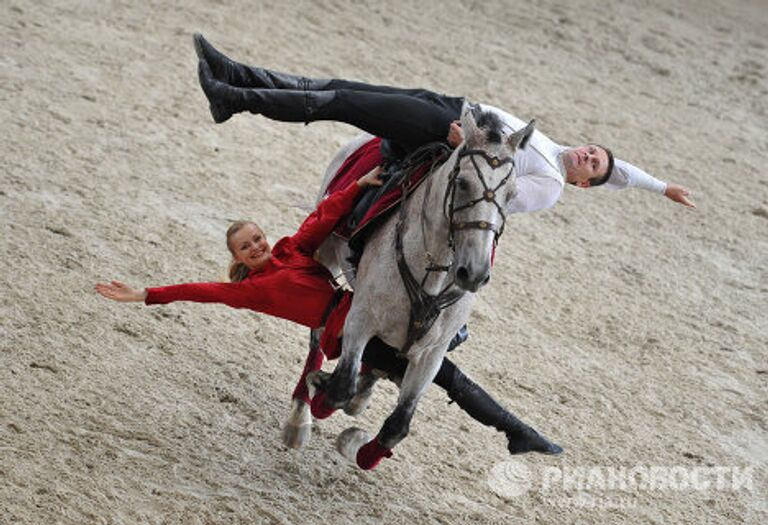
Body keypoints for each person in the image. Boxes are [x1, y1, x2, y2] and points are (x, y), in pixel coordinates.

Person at [95, 168, 562, 468]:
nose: (257, 246)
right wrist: (146, 294)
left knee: (445, 354)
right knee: (441, 378)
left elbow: (320, 220)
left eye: (257, 237)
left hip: (369, 309)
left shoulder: (291, 250)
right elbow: (202, 292)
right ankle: (338, 412)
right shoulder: (251, 290)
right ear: (237, 257)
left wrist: (355, 189)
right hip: (352, 334)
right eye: (246, 247)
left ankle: (511, 428)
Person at [193, 33, 695, 214]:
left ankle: (234, 99)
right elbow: (622, 170)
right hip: (452, 104)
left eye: (593, 166)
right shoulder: (559, 147)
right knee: (345, 86)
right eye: (594, 152)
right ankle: (237, 74)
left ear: (584, 184)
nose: (589, 156)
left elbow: (490, 187)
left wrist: (460, 148)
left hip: (446, 133)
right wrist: (663, 185)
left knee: (343, 101)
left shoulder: (550, 187)